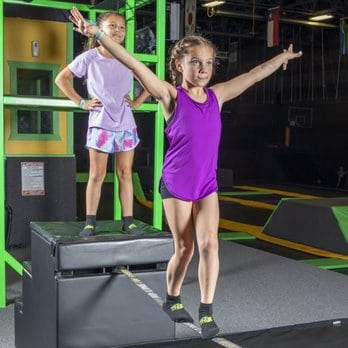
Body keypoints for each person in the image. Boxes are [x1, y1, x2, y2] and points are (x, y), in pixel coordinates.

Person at [68, 6, 302, 339]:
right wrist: (99, 34)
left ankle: (207, 311)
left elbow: (251, 76)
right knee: (185, 249)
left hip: (207, 184)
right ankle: (173, 297)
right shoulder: (169, 95)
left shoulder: (217, 96)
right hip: (176, 185)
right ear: (179, 65)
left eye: (208, 63)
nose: (203, 69)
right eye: (195, 62)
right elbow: (133, 63)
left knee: (210, 246)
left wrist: (280, 60)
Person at [55, 11, 150, 237]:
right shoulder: (90, 57)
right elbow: (61, 79)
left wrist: (136, 101)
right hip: (101, 123)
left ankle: (129, 222)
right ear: (100, 29)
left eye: (122, 27)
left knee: (125, 173)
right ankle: (90, 222)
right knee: (96, 174)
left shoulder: (127, 58)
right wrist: (81, 102)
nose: (118, 30)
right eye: (112, 26)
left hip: (126, 123)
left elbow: (150, 81)